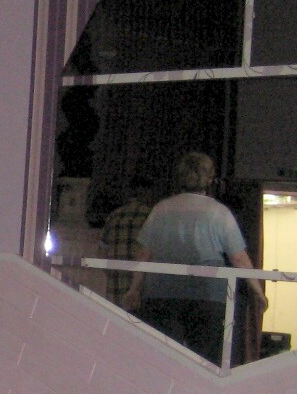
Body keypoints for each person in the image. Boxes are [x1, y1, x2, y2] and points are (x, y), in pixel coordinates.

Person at [123, 151, 266, 362]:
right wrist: (257, 291)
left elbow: (144, 253)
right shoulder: (220, 212)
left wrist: (134, 288)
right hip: (208, 296)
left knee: (162, 360)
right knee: (207, 361)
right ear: (209, 179)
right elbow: (239, 258)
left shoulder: (160, 209)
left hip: (162, 293)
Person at [98, 174, 155, 307]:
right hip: (141, 291)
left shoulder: (113, 217)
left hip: (115, 288)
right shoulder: (151, 216)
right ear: (147, 192)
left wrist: (114, 272)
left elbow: (101, 254)